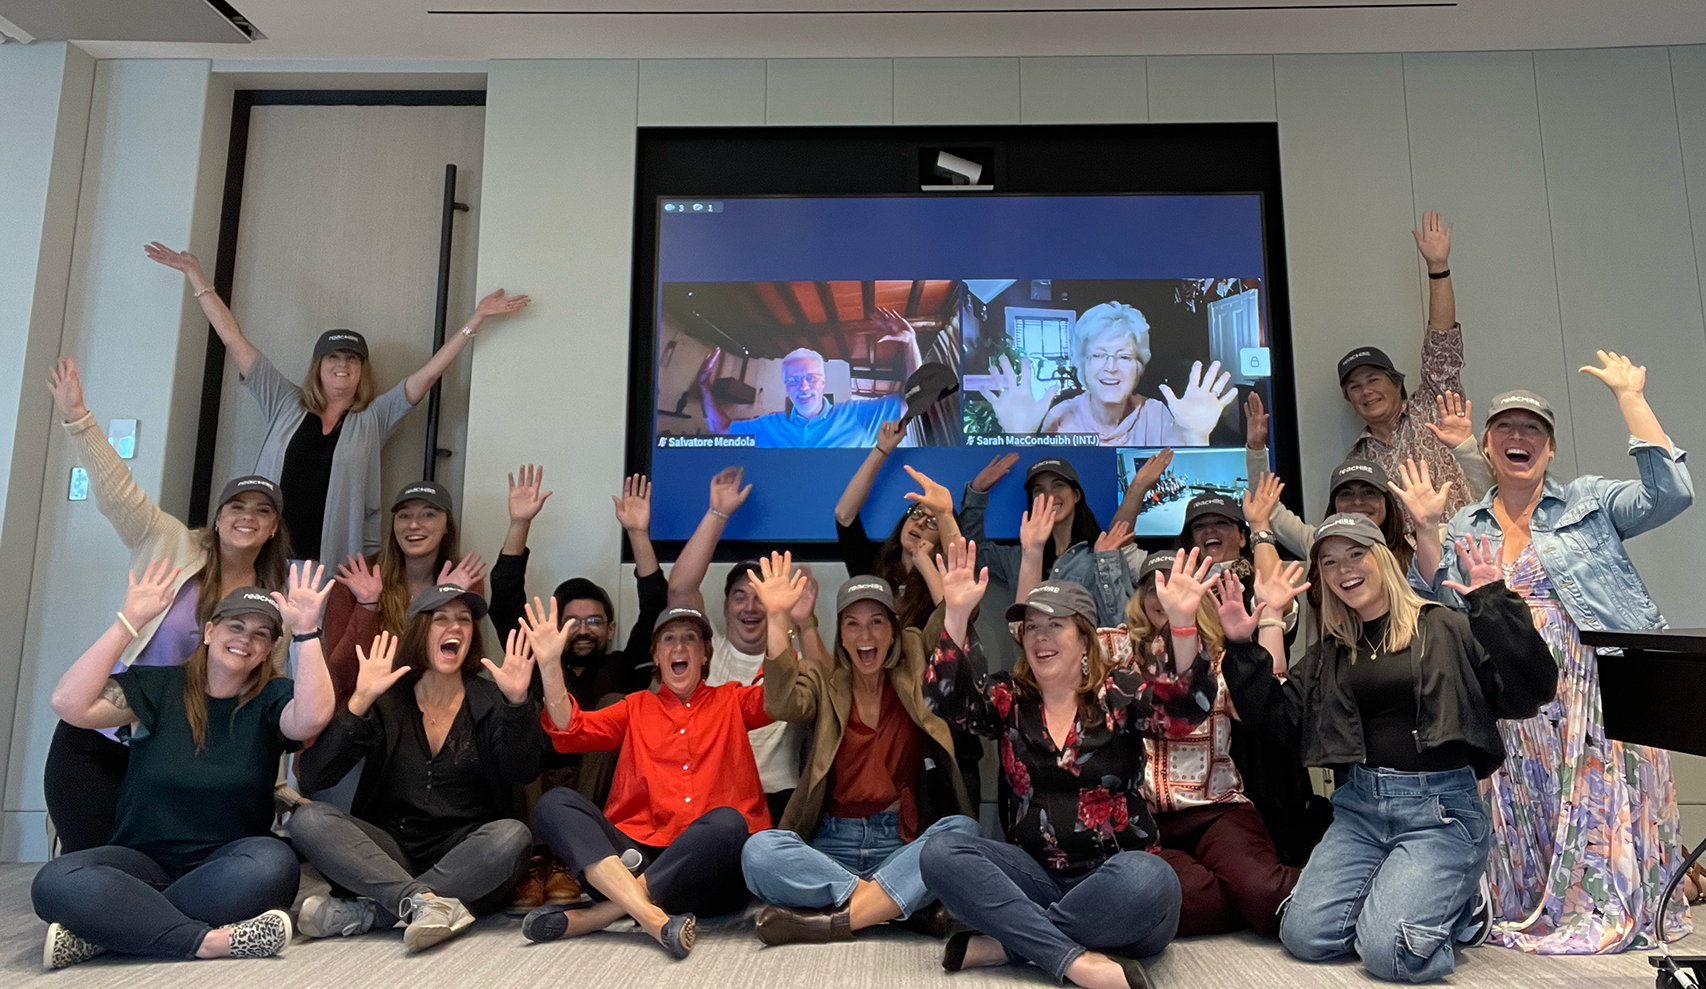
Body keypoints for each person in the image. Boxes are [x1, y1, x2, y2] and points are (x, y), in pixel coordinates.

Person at [1426, 352, 1694, 954]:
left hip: (1590, 678)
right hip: (1510, 684)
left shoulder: (1588, 503)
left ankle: (1599, 902)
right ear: (1487, 447)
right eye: (1505, 429)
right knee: (1524, 789)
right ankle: (1526, 900)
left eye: (1534, 430)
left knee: (1595, 791)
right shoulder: (1467, 522)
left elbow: (1672, 493)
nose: (1519, 437)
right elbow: (1432, 593)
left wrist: (1631, 397)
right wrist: (1422, 529)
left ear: (1549, 449)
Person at [1221, 514, 1556, 982]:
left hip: (1440, 813)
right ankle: (1413, 897)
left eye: (1356, 553)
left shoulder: (1442, 626)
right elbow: (1276, 722)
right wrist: (1241, 646)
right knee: (1305, 937)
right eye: (1330, 562)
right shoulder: (1330, 653)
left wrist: (1495, 605)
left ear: (1382, 556)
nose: (1344, 570)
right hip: (1359, 810)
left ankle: (1458, 905)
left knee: (1389, 954)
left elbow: (1531, 692)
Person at [919, 541, 1217, 989]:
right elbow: (945, 699)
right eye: (1031, 627)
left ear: (1085, 639)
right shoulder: (1009, 699)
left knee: (1153, 879)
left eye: (1055, 626)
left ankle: (1011, 944)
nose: (1040, 637)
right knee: (941, 851)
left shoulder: (1119, 693)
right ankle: (1073, 961)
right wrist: (956, 615)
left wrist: (1181, 624)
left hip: (1116, 882)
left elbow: (1184, 711)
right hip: (1034, 877)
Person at [43, 357, 295, 853]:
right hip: (110, 726)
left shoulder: (276, 602)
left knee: (160, 870)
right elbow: (118, 492)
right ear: (218, 519)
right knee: (94, 868)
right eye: (237, 508)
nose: (248, 518)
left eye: (262, 511)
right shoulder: (168, 542)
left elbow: (270, 694)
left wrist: (270, 777)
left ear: (272, 529)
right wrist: (80, 418)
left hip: (184, 749)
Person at [145, 242, 530, 565]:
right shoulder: (284, 402)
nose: (342, 365)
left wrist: (475, 318)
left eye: (351, 359)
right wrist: (197, 277)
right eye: (333, 358)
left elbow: (429, 374)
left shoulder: (375, 417)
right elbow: (234, 339)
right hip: (265, 557)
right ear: (319, 366)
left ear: (362, 369)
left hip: (331, 564)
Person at [33, 565, 336, 967]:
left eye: (260, 634)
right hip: (140, 862)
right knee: (55, 881)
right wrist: (130, 622)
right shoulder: (157, 686)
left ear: (268, 649)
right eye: (236, 626)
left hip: (228, 861)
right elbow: (69, 703)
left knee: (273, 866)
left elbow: (313, 718)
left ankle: (114, 932)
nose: (245, 639)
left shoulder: (273, 697)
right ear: (210, 632)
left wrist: (306, 631)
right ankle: (205, 941)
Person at [740, 560, 980, 945]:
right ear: (841, 635)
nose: (864, 633)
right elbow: (781, 702)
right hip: (831, 846)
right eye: (852, 623)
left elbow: (953, 622)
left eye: (876, 622)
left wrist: (952, 597)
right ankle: (890, 906)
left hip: (899, 840)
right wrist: (776, 616)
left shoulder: (915, 658)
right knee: (758, 853)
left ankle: (837, 918)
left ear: (893, 631)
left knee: (963, 833)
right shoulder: (823, 680)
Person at [292, 584, 541, 953]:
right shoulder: (388, 699)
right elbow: (314, 776)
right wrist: (360, 701)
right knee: (307, 820)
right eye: (440, 618)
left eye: (464, 620)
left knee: (511, 836)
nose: (454, 627)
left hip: (467, 857)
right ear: (420, 631)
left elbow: (523, 772)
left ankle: (380, 910)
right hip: (389, 852)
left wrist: (518, 703)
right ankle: (420, 902)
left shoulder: (489, 699)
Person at [519, 602, 774, 958]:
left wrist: (779, 615)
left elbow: (779, 697)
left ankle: (602, 915)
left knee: (730, 822)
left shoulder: (732, 699)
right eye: (669, 639)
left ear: (705, 655)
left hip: (708, 874)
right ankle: (650, 914)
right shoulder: (635, 707)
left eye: (690, 639)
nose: (680, 648)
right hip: (636, 856)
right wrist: (549, 665)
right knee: (555, 803)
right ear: (656, 656)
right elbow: (570, 728)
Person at [487, 471, 669, 911]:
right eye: (573, 621)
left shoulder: (625, 666)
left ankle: (574, 853)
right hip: (534, 782)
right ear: (555, 627)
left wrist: (638, 534)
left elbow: (656, 605)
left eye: (594, 621)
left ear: (610, 628)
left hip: (598, 790)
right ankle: (536, 859)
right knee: (522, 707)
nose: (584, 630)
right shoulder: (538, 661)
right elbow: (505, 596)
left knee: (616, 705)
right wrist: (519, 524)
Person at [1121, 551, 1299, 938]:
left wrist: (1268, 623)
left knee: (1266, 895)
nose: (1163, 594)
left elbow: (1271, 709)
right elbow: (1035, 642)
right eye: (1154, 585)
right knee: (1186, 901)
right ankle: (1237, 900)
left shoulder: (1220, 658)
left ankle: (1339, 890)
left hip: (1217, 809)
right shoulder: (1113, 651)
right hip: (1143, 819)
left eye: (1176, 583)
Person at [667, 466, 821, 823]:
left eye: (760, 598)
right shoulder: (705, 652)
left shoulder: (793, 657)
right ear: (724, 607)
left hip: (779, 800)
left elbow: (829, 690)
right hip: (710, 796)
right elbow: (679, 589)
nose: (750, 607)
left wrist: (802, 620)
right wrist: (717, 513)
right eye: (739, 597)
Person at [1325, 210, 1489, 519]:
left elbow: (1441, 340)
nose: (1365, 392)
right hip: (1411, 564)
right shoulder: (1357, 462)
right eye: (1354, 387)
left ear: (1396, 383)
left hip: (1472, 547)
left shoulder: (1434, 406)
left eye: (1373, 380)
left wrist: (1438, 268)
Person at [976, 301, 1237, 446]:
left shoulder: (1156, 415)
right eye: (1099, 355)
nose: (1110, 367)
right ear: (1083, 365)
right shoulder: (1060, 418)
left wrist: (1196, 436)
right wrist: (1019, 437)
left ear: (1139, 367)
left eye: (1124, 356)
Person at [323, 479, 485, 711]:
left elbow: (466, 665)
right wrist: (366, 607)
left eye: (428, 515)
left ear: (447, 525)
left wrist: (443, 598)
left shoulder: (465, 580)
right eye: (404, 516)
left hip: (433, 709)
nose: (414, 525)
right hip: (366, 710)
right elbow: (340, 675)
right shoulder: (358, 578)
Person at [961, 454, 1160, 628]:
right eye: (1039, 490)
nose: (1049, 496)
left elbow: (1120, 624)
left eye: (1058, 485)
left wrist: (1106, 560)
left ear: (1076, 495)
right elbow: (973, 550)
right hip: (1031, 667)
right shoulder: (1018, 557)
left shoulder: (1102, 553)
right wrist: (977, 492)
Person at [698, 308, 921, 448]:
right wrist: (704, 385)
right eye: (793, 381)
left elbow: (913, 399)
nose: (803, 386)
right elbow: (721, 429)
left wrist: (910, 342)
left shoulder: (858, 416)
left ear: (823, 383)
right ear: (787, 386)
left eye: (811, 378)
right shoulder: (769, 426)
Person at [833, 420, 960, 629]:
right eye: (916, 513)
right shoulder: (875, 566)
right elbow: (844, 515)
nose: (919, 523)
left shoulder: (945, 578)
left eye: (932, 522)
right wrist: (882, 449)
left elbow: (954, 618)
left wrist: (924, 561)